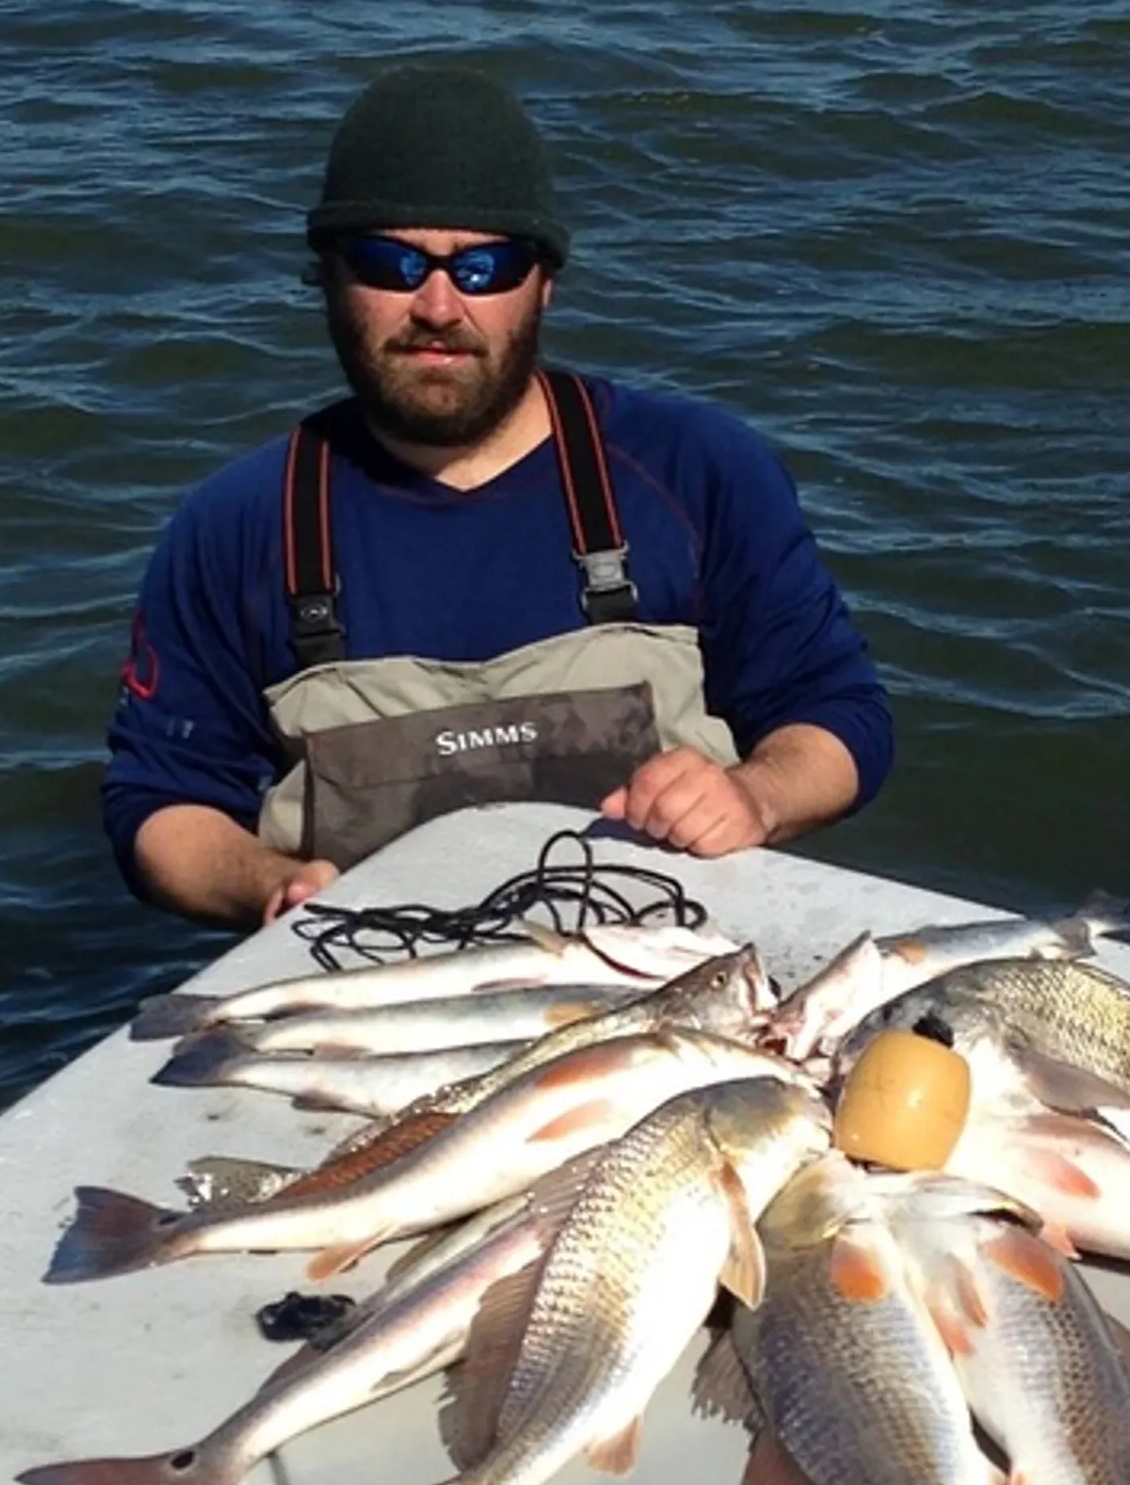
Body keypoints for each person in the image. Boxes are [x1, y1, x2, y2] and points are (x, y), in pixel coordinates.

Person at [103, 61, 894, 926]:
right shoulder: (236, 526)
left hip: (663, 975)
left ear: (543, 283)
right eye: (390, 262)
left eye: (485, 267)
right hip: (368, 986)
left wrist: (755, 796)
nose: (439, 305)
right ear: (328, 277)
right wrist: (269, 887)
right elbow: (160, 806)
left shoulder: (698, 470)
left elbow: (839, 717)